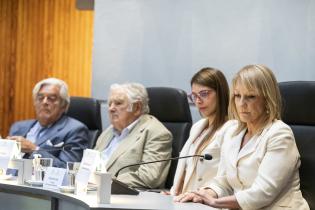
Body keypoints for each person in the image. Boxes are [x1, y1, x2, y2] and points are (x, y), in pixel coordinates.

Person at [175, 64, 310, 209]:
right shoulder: (233, 132)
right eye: (237, 96)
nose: (241, 104)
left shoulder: (280, 134)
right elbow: (224, 181)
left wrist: (215, 202)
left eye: (250, 97)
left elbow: (263, 192)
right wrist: (204, 194)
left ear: (267, 99)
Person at [94, 83, 172, 189]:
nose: (111, 108)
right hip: (94, 191)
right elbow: (90, 163)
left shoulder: (156, 133)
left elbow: (150, 177)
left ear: (137, 108)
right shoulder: (108, 132)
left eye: (118, 103)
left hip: (126, 198)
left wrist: (104, 181)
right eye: (109, 104)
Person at [169, 67, 230, 195]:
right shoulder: (198, 126)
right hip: (187, 200)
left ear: (221, 93)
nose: (198, 101)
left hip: (212, 201)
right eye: (194, 96)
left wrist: (202, 195)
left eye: (204, 94)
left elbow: (228, 178)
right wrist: (177, 191)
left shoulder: (232, 128)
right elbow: (187, 169)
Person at [8, 78, 89, 168]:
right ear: (34, 102)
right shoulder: (18, 127)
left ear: (64, 105)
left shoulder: (75, 130)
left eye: (51, 98)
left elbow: (68, 169)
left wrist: (34, 150)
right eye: (40, 97)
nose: (44, 102)